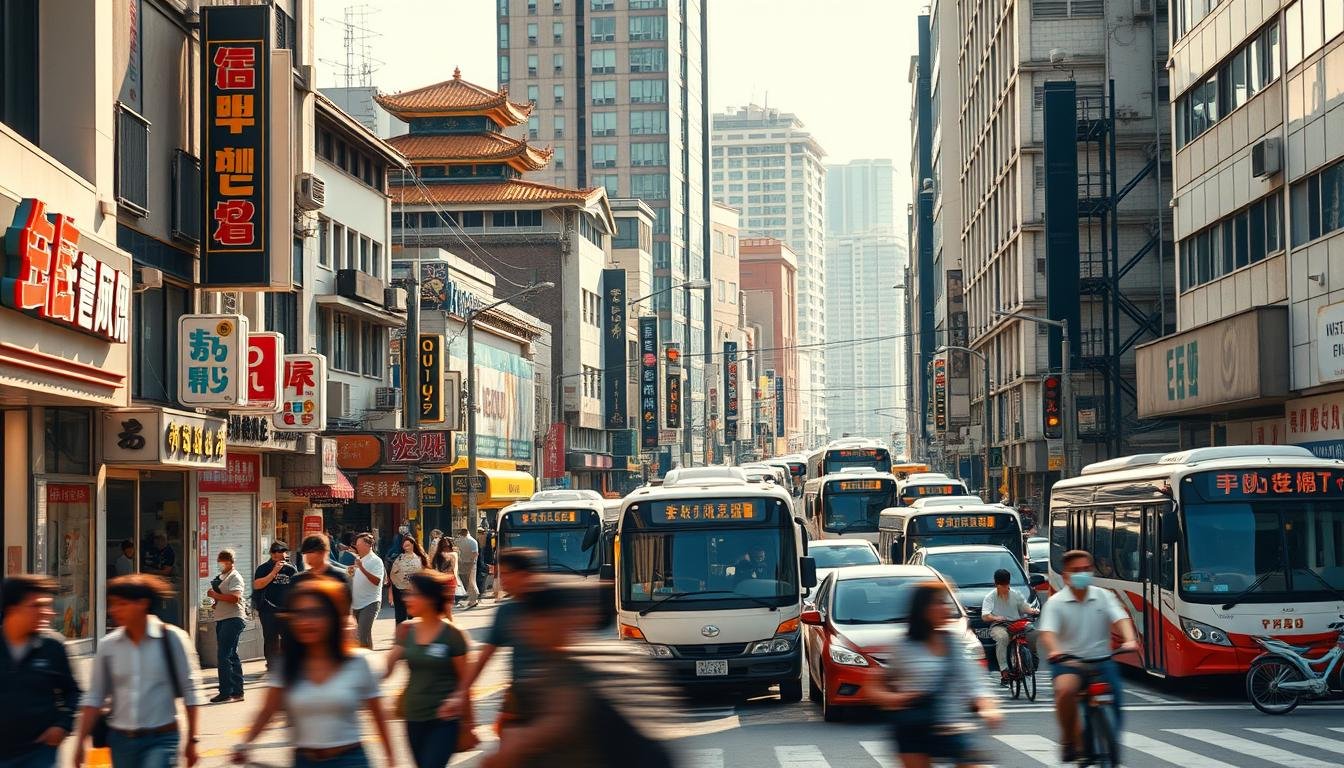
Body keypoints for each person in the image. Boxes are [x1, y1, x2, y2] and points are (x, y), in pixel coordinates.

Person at [478, 583, 673, 768]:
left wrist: (513, 746)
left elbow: (555, 723)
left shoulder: (564, 670)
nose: (524, 627)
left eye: (531, 618)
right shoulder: (625, 655)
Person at [231, 580, 394, 768]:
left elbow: (379, 715)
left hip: (350, 760)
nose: (306, 621)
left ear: (332, 618)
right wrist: (245, 744)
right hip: (304, 761)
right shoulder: (286, 665)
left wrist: (391, 759)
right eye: (299, 614)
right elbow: (268, 710)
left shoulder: (357, 662)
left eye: (315, 613)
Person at [73, 575, 203, 768]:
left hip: (161, 738)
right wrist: (80, 742)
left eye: (121, 604)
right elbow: (94, 697)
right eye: (112, 604)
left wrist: (192, 740)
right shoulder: (108, 645)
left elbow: (191, 693)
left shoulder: (173, 638)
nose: (114, 610)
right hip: (120, 741)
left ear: (142, 604)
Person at [872, 582, 1000, 768]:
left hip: (951, 727)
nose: (945, 608)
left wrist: (988, 708)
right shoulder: (904, 647)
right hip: (914, 729)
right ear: (923, 609)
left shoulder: (953, 643)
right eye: (938, 603)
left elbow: (973, 681)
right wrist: (895, 699)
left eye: (946, 602)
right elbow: (874, 686)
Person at [1038, 549, 1140, 764]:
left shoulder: (1103, 596)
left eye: (1086, 569)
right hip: (1068, 662)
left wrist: (1129, 639)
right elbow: (1048, 634)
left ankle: (1109, 742)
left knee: (1116, 704)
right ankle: (1068, 740)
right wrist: (1056, 651)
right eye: (1076, 571)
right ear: (1065, 576)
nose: (1082, 574)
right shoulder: (1056, 603)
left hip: (1102, 660)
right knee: (1065, 691)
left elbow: (1121, 618)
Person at [446, 549, 543, 731]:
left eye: (507, 574)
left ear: (524, 574)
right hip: (520, 697)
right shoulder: (506, 612)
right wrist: (461, 692)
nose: (502, 580)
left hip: (552, 696)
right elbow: (484, 656)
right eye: (500, 573)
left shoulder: (551, 606)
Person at [383, 571, 472, 768]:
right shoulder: (406, 631)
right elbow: (386, 670)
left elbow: (466, 682)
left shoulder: (453, 634)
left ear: (430, 598)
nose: (407, 598)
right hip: (413, 716)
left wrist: (468, 724)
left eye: (413, 593)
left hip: (444, 719)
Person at [0, 575, 80, 768]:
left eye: (48, 606)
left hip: (40, 752)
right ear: (13, 609)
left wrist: (62, 725)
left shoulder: (52, 647)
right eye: (37, 606)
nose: (48, 613)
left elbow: (73, 692)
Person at [981, 568, 1039, 685]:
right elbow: (985, 616)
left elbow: (1024, 607)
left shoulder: (1016, 594)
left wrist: (1033, 610)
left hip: (1016, 623)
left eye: (1006, 585)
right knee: (1002, 638)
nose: (1004, 588)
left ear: (1009, 583)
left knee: (1033, 632)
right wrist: (995, 618)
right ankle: (1004, 671)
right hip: (999, 625)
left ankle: (1032, 661)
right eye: (1001, 585)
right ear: (996, 584)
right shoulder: (990, 597)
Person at [207, 549, 247, 703]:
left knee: (223, 655)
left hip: (233, 618)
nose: (221, 564)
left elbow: (235, 597)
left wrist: (216, 596)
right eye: (220, 560)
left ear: (231, 562)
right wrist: (216, 602)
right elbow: (223, 597)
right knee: (231, 654)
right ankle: (238, 691)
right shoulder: (221, 576)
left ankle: (225, 691)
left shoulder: (235, 576)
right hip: (222, 618)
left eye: (224, 561)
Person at [252, 540, 297, 669]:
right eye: (274, 551)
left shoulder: (291, 568)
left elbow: (297, 586)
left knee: (288, 638)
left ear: (286, 553)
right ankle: (272, 665)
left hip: (287, 610)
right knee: (271, 639)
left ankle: (286, 663)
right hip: (267, 609)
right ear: (271, 554)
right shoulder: (263, 568)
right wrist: (273, 573)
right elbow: (257, 585)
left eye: (281, 551)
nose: (277, 554)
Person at [348, 532, 386, 649]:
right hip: (356, 604)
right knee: (365, 636)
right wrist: (352, 572)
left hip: (370, 603)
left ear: (369, 545)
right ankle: (371, 660)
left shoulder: (376, 560)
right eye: (356, 544)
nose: (357, 547)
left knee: (361, 636)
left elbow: (377, 581)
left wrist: (362, 568)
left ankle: (363, 661)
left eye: (359, 544)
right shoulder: (360, 560)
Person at [389, 534, 429, 624]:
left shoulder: (420, 558)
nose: (406, 547)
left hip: (416, 591)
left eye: (408, 545)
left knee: (414, 616)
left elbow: (426, 573)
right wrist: (396, 584)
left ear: (413, 545)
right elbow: (393, 574)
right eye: (404, 545)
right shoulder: (399, 558)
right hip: (400, 590)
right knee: (400, 616)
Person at [430, 537, 461, 614]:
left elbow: (454, 568)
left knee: (448, 604)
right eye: (444, 546)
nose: (446, 548)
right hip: (441, 581)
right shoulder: (437, 557)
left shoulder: (453, 555)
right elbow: (434, 568)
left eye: (448, 546)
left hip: (449, 581)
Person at [455, 529, 480, 608]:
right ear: (468, 533)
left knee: (466, 581)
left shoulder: (458, 541)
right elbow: (475, 553)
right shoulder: (473, 541)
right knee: (471, 581)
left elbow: (455, 548)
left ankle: (471, 599)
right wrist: (472, 563)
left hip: (462, 563)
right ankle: (473, 600)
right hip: (471, 563)